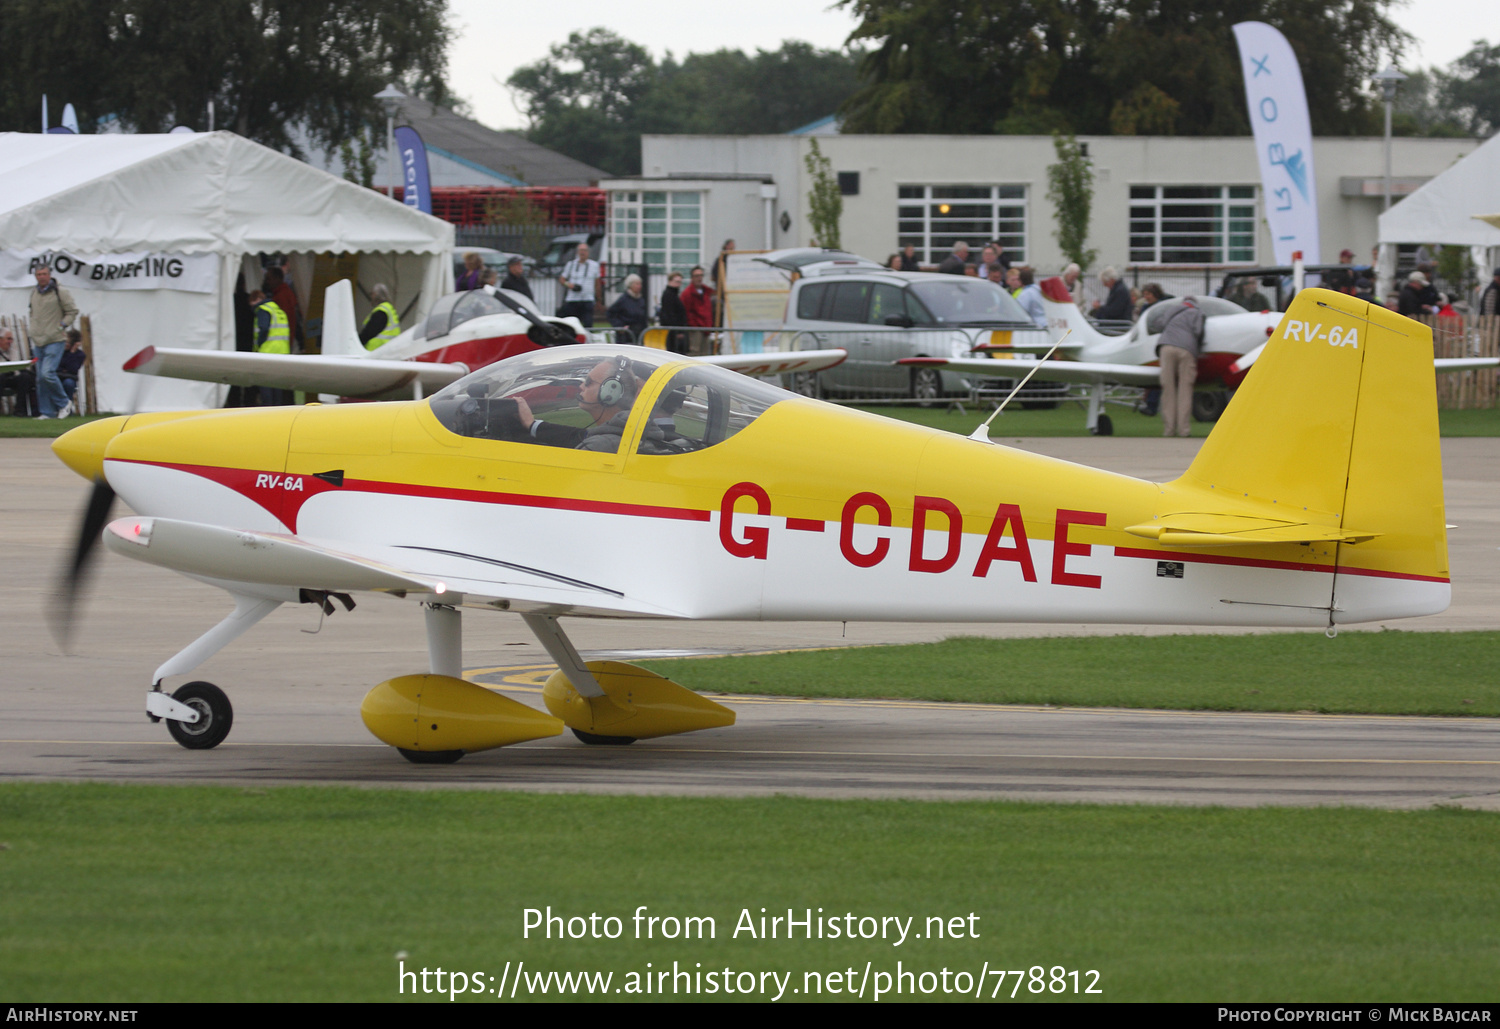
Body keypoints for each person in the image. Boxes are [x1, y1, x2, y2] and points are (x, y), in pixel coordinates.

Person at [512, 357, 650, 453]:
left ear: (610, 392)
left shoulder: (600, 446)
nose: (581, 386)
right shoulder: (628, 430)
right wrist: (532, 424)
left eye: (589, 382)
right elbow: (579, 435)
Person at [28, 263, 78, 419]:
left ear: (49, 275)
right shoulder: (34, 292)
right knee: (40, 379)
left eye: (44, 274)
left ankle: (64, 403)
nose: (41, 277)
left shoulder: (60, 291)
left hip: (55, 339)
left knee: (47, 373)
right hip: (39, 340)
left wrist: (62, 325)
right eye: (38, 274)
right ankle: (47, 412)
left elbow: (72, 311)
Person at [1155, 297, 1204, 438]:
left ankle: (1169, 430)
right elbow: (1198, 331)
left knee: (1168, 388)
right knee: (1185, 389)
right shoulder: (1197, 313)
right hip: (1186, 349)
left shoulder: (1172, 310)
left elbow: (1159, 324)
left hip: (1166, 347)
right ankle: (1184, 430)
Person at [250, 289, 291, 406]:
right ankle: (276, 409)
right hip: (282, 352)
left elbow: (264, 328)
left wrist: (259, 344)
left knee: (265, 384)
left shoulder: (263, 310)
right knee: (277, 385)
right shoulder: (278, 310)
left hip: (267, 351)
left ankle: (267, 408)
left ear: (256, 300)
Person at [558, 243, 601, 326]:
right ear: (577, 252)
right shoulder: (571, 265)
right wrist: (569, 285)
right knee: (571, 324)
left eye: (585, 250)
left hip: (587, 299)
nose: (583, 253)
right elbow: (562, 279)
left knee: (588, 323)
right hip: (572, 299)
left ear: (588, 252)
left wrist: (598, 300)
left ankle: (587, 338)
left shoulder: (594, 265)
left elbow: (597, 283)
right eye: (581, 250)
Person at [262, 266, 303, 350]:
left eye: (269, 279)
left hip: (284, 339)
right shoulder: (285, 293)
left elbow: (287, 318)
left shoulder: (281, 296)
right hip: (286, 338)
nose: (267, 282)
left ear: (277, 278)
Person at [0, 327, 36, 417]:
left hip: (11, 376)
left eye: (11, 339)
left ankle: (20, 410)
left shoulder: (12, 349)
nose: (10, 341)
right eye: (8, 339)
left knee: (24, 377)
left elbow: (15, 367)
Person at [606, 273, 649, 341]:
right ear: (630, 285)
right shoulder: (623, 300)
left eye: (640, 284)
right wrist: (619, 326)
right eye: (637, 284)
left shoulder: (641, 299)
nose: (639, 286)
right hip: (626, 335)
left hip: (639, 334)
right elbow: (610, 313)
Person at [681, 266, 715, 352]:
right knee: (695, 351)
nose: (699, 278)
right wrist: (693, 324)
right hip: (696, 328)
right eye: (697, 276)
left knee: (705, 352)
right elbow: (686, 312)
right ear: (692, 277)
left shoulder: (706, 291)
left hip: (706, 327)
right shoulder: (687, 293)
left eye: (701, 275)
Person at [360, 284, 401, 350]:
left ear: (376, 295)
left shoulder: (381, 311)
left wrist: (359, 342)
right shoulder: (389, 308)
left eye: (372, 294)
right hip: (387, 350)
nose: (371, 296)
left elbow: (370, 332)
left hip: (377, 351)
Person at [658, 271, 690, 354]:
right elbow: (670, 314)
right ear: (670, 281)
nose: (678, 284)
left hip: (674, 330)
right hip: (673, 331)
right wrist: (678, 331)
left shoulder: (672, 294)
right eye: (677, 282)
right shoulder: (669, 295)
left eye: (680, 282)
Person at [58, 329, 87, 410]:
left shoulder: (80, 355)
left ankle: (67, 408)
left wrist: (72, 353)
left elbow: (73, 369)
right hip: (58, 376)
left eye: (68, 343)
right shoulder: (59, 352)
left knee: (68, 384)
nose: (65, 344)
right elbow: (58, 366)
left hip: (69, 378)